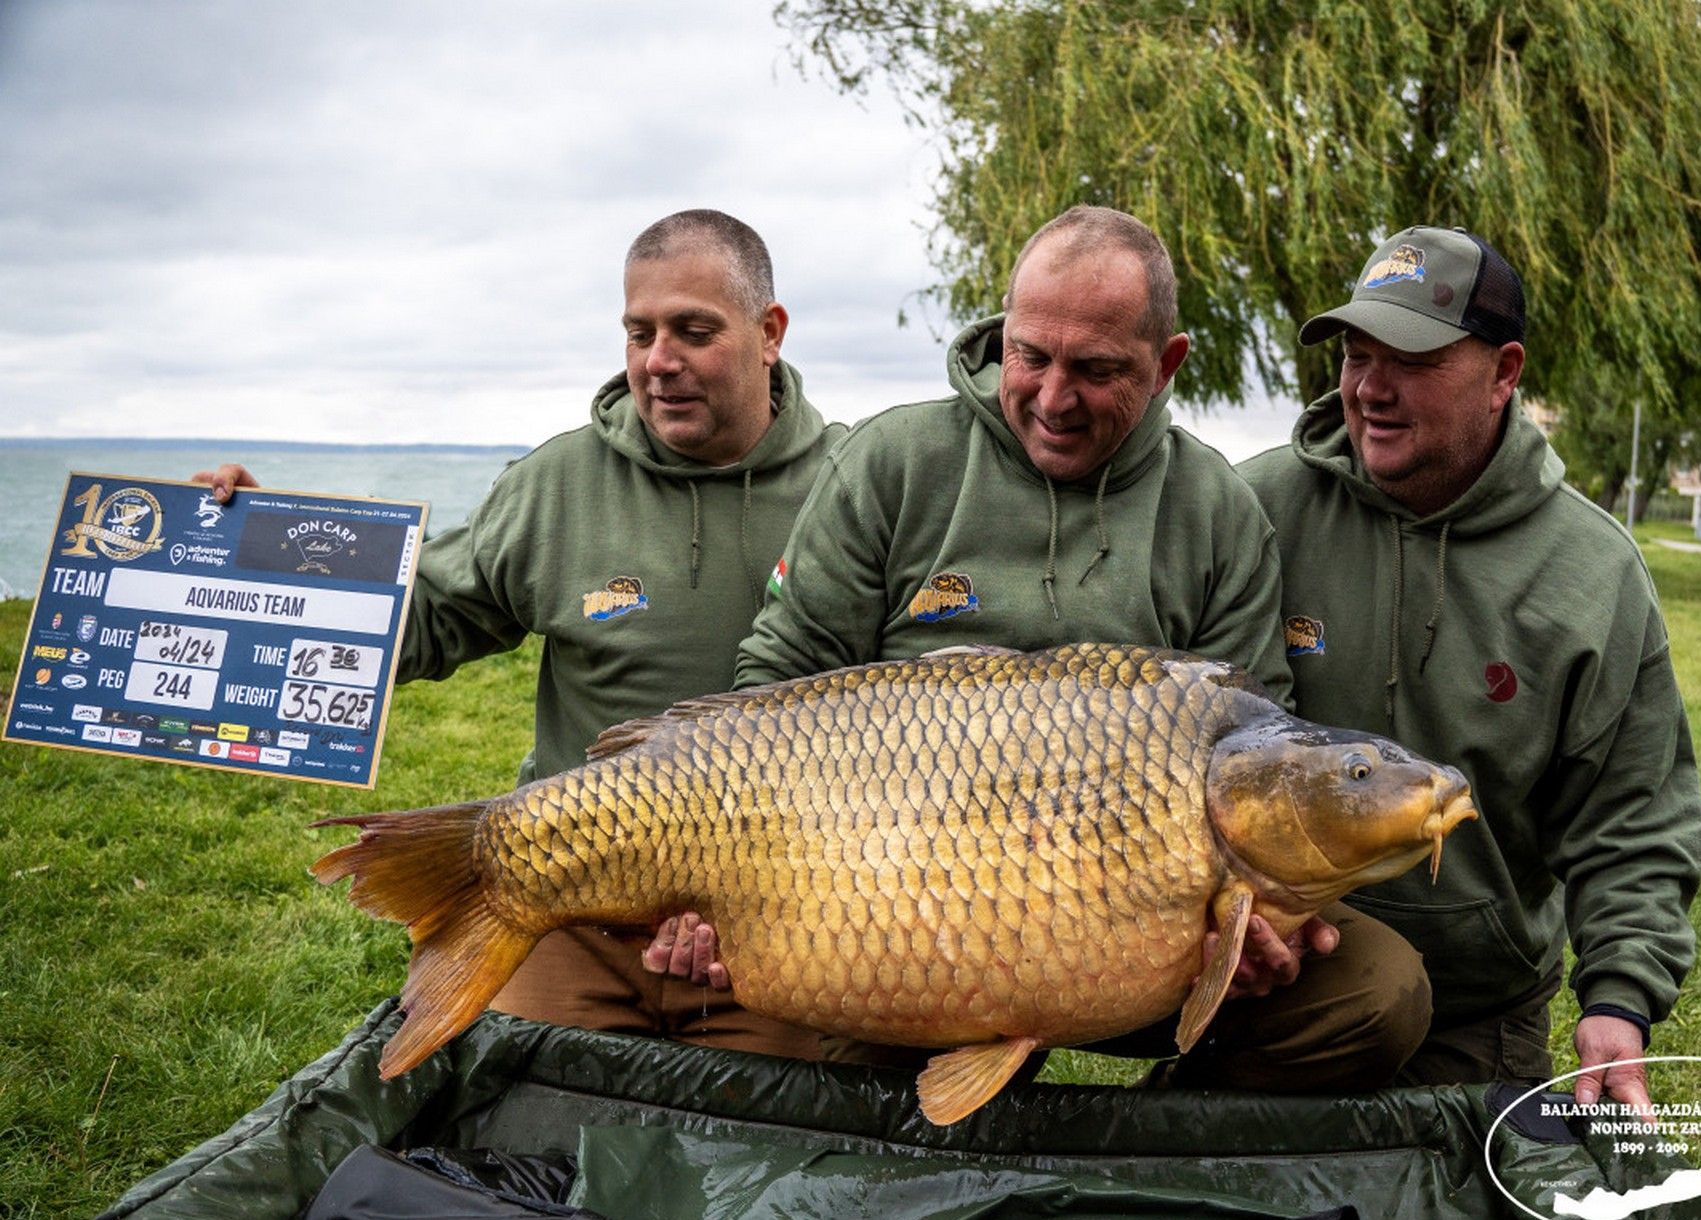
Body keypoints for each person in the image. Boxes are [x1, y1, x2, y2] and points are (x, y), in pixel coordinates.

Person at [670, 205, 1435, 1093]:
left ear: (1165, 367)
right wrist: (714, 884)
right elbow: (776, 682)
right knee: (852, 1042)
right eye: (1031, 356)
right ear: (1004, 333)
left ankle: (1160, 1146)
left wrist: (1260, 932)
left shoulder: (1216, 513)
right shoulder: (895, 463)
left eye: (1097, 369)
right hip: (901, 907)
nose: (1053, 396)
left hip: (1145, 932)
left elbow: (1258, 736)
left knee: (1376, 990)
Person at [197, 209, 844, 1059]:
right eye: (638, 332)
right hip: (570, 901)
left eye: (695, 330)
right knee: (493, 1110)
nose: (660, 361)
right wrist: (265, 550)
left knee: (822, 1147)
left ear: (770, 334)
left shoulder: (857, 484)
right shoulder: (556, 484)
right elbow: (425, 619)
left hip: (792, 910)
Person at [1235, 225, 1701, 1111]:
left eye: (1411, 359)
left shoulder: (1592, 574)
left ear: (1504, 374)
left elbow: (1632, 818)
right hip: (1280, 978)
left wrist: (1619, 1002)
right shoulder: (1255, 510)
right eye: (1356, 354)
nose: (1371, 388)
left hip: (1473, 1011)